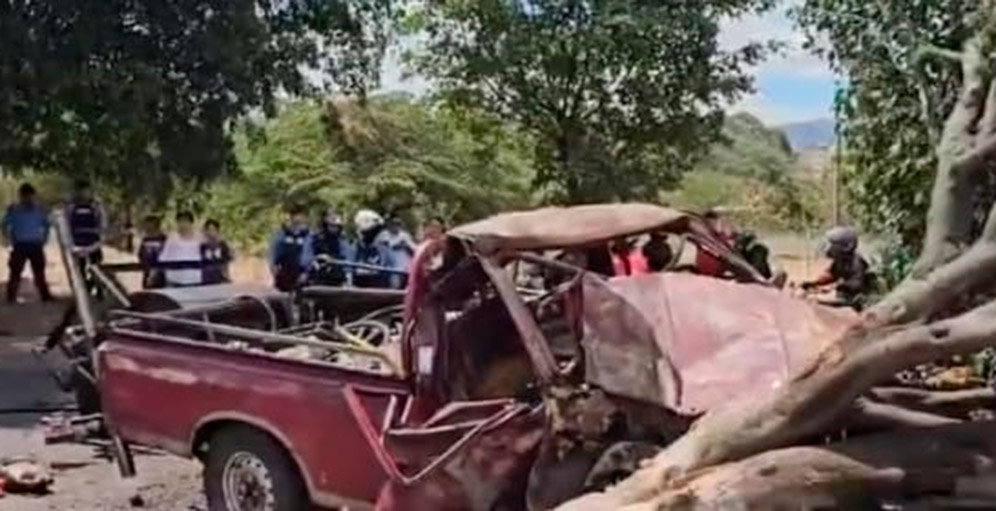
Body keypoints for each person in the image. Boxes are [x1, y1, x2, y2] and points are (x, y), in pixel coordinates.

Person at [801, 226, 872, 310]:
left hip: (859, 299)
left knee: (820, 301)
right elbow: (830, 275)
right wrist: (813, 283)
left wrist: (835, 286)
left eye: (831, 245)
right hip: (845, 295)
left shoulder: (856, 262)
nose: (828, 248)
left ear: (846, 247)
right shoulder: (840, 261)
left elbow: (857, 284)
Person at [3, 184, 52, 303]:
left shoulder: (39, 210)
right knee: (15, 272)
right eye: (25, 196)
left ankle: (45, 296)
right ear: (21, 196)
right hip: (20, 244)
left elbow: (46, 224)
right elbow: (4, 225)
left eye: (30, 196)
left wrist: (45, 238)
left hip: (35, 244)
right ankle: (11, 297)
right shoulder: (14, 210)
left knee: (39, 272)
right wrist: (8, 238)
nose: (28, 199)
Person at [64, 180, 106, 293]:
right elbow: (66, 223)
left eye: (85, 191)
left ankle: (98, 287)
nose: (83, 193)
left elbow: (102, 221)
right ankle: (83, 288)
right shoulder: (71, 206)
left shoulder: (96, 205)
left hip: (93, 240)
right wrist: (69, 241)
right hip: (77, 241)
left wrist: (101, 237)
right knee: (79, 268)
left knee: (96, 266)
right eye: (80, 191)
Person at [269, 206, 314, 292]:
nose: (299, 219)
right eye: (297, 216)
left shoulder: (310, 235)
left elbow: (311, 255)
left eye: (302, 216)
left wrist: (306, 272)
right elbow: (274, 251)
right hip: (285, 272)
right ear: (292, 217)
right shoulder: (282, 234)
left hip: (302, 273)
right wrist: (273, 267)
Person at [158, 211, 204, 287]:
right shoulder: (172, 238)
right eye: (180, 222)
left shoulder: (200, 238)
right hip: (174, 278)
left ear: (191, 223)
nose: (183, 224)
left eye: (185, 221)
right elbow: (163, 256)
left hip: (194, 278)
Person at [311, 208, 354, 286]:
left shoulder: (343, 240)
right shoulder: (315, 238)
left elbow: (348, 259)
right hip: (318, 277)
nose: (334, 229)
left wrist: (348, 275)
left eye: (337, 227)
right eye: (331, 226)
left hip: (337, 279)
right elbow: (307, 256)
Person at [352, 209, 391, 288]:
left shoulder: (382, 242)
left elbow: (382, 267)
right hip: (363, 283)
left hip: (378, 284)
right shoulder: (360, 245)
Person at [377, 216, 417, 289]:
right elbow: (378, 246)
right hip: (388, 266)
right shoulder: (383, 235)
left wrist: (405, 245)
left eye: (398, 224)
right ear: (389, 224)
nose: (395, 226)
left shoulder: (404, 236)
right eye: (393, 224)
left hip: (402, 266)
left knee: (399, 283)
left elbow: (414, 248)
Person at [137, 215, 167, 289]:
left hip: (161, 274)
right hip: (147, 272)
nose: (148, 229)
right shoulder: (145, 240)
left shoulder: (164, 239)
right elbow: (140, 254)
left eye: (150, 226)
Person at [200, 219, 233, 285]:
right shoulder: (202, 247)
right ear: (205, 232)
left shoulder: (223, 246)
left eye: (213, 230)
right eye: (208, 230)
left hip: (220, 280)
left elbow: (226, 264)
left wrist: (227, 278)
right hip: (205, 281)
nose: (210, 233)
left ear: (217, 231)